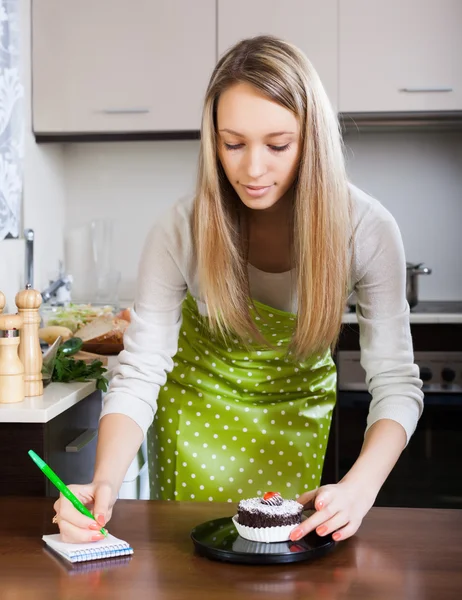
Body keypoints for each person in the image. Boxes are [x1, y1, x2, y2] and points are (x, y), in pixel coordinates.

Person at [53, 35, 423, 544]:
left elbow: (397, 384)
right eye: (233, 143)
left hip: (295, 416)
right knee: (191, 567)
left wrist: (360, 487)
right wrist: (105, 481)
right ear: (213, 140)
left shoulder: (366, 229)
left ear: (310, 138)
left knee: (279, 560)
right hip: (194, 418)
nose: (252, 169)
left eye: (277, 145)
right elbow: (139, 373)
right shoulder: (178, 230)